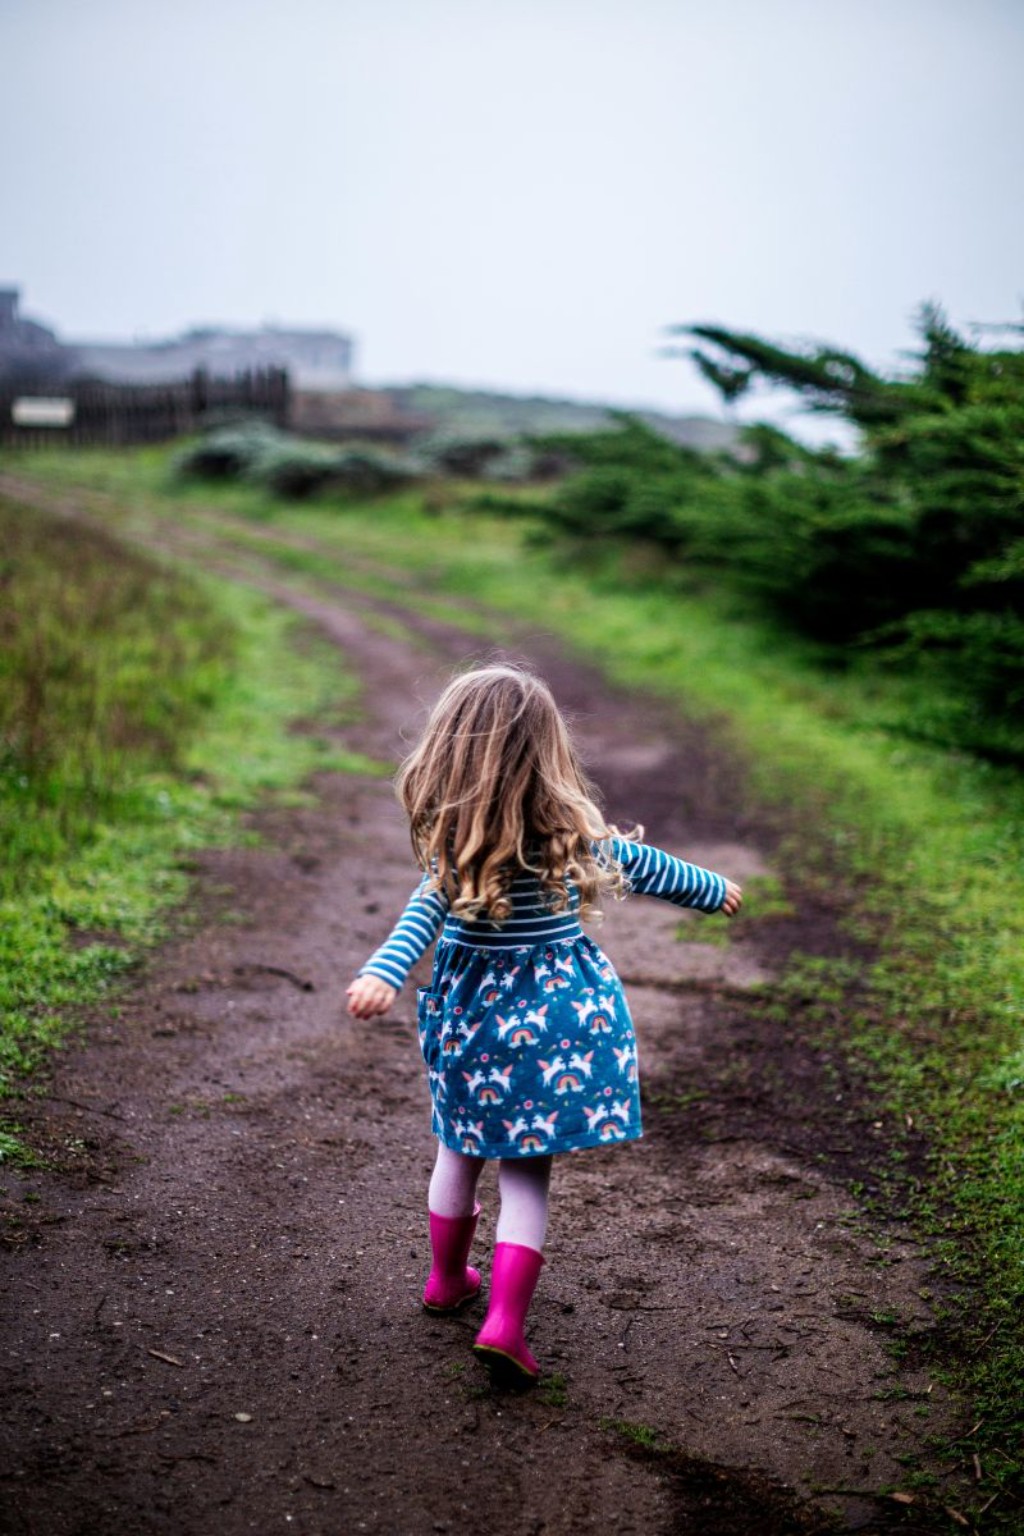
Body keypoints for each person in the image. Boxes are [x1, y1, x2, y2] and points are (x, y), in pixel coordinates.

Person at [347, 664, 742, 1384]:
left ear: (448, 755)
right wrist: (713, 889)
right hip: (556, 1023)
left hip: (474, 1029)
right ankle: (504, 1323)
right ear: (549, 754)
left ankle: (445, 1281)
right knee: (526, 1175)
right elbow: (645, 865)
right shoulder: (571, 840)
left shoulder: (453, 857)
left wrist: (380, 974)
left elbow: (413, 927)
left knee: (458, 1146)